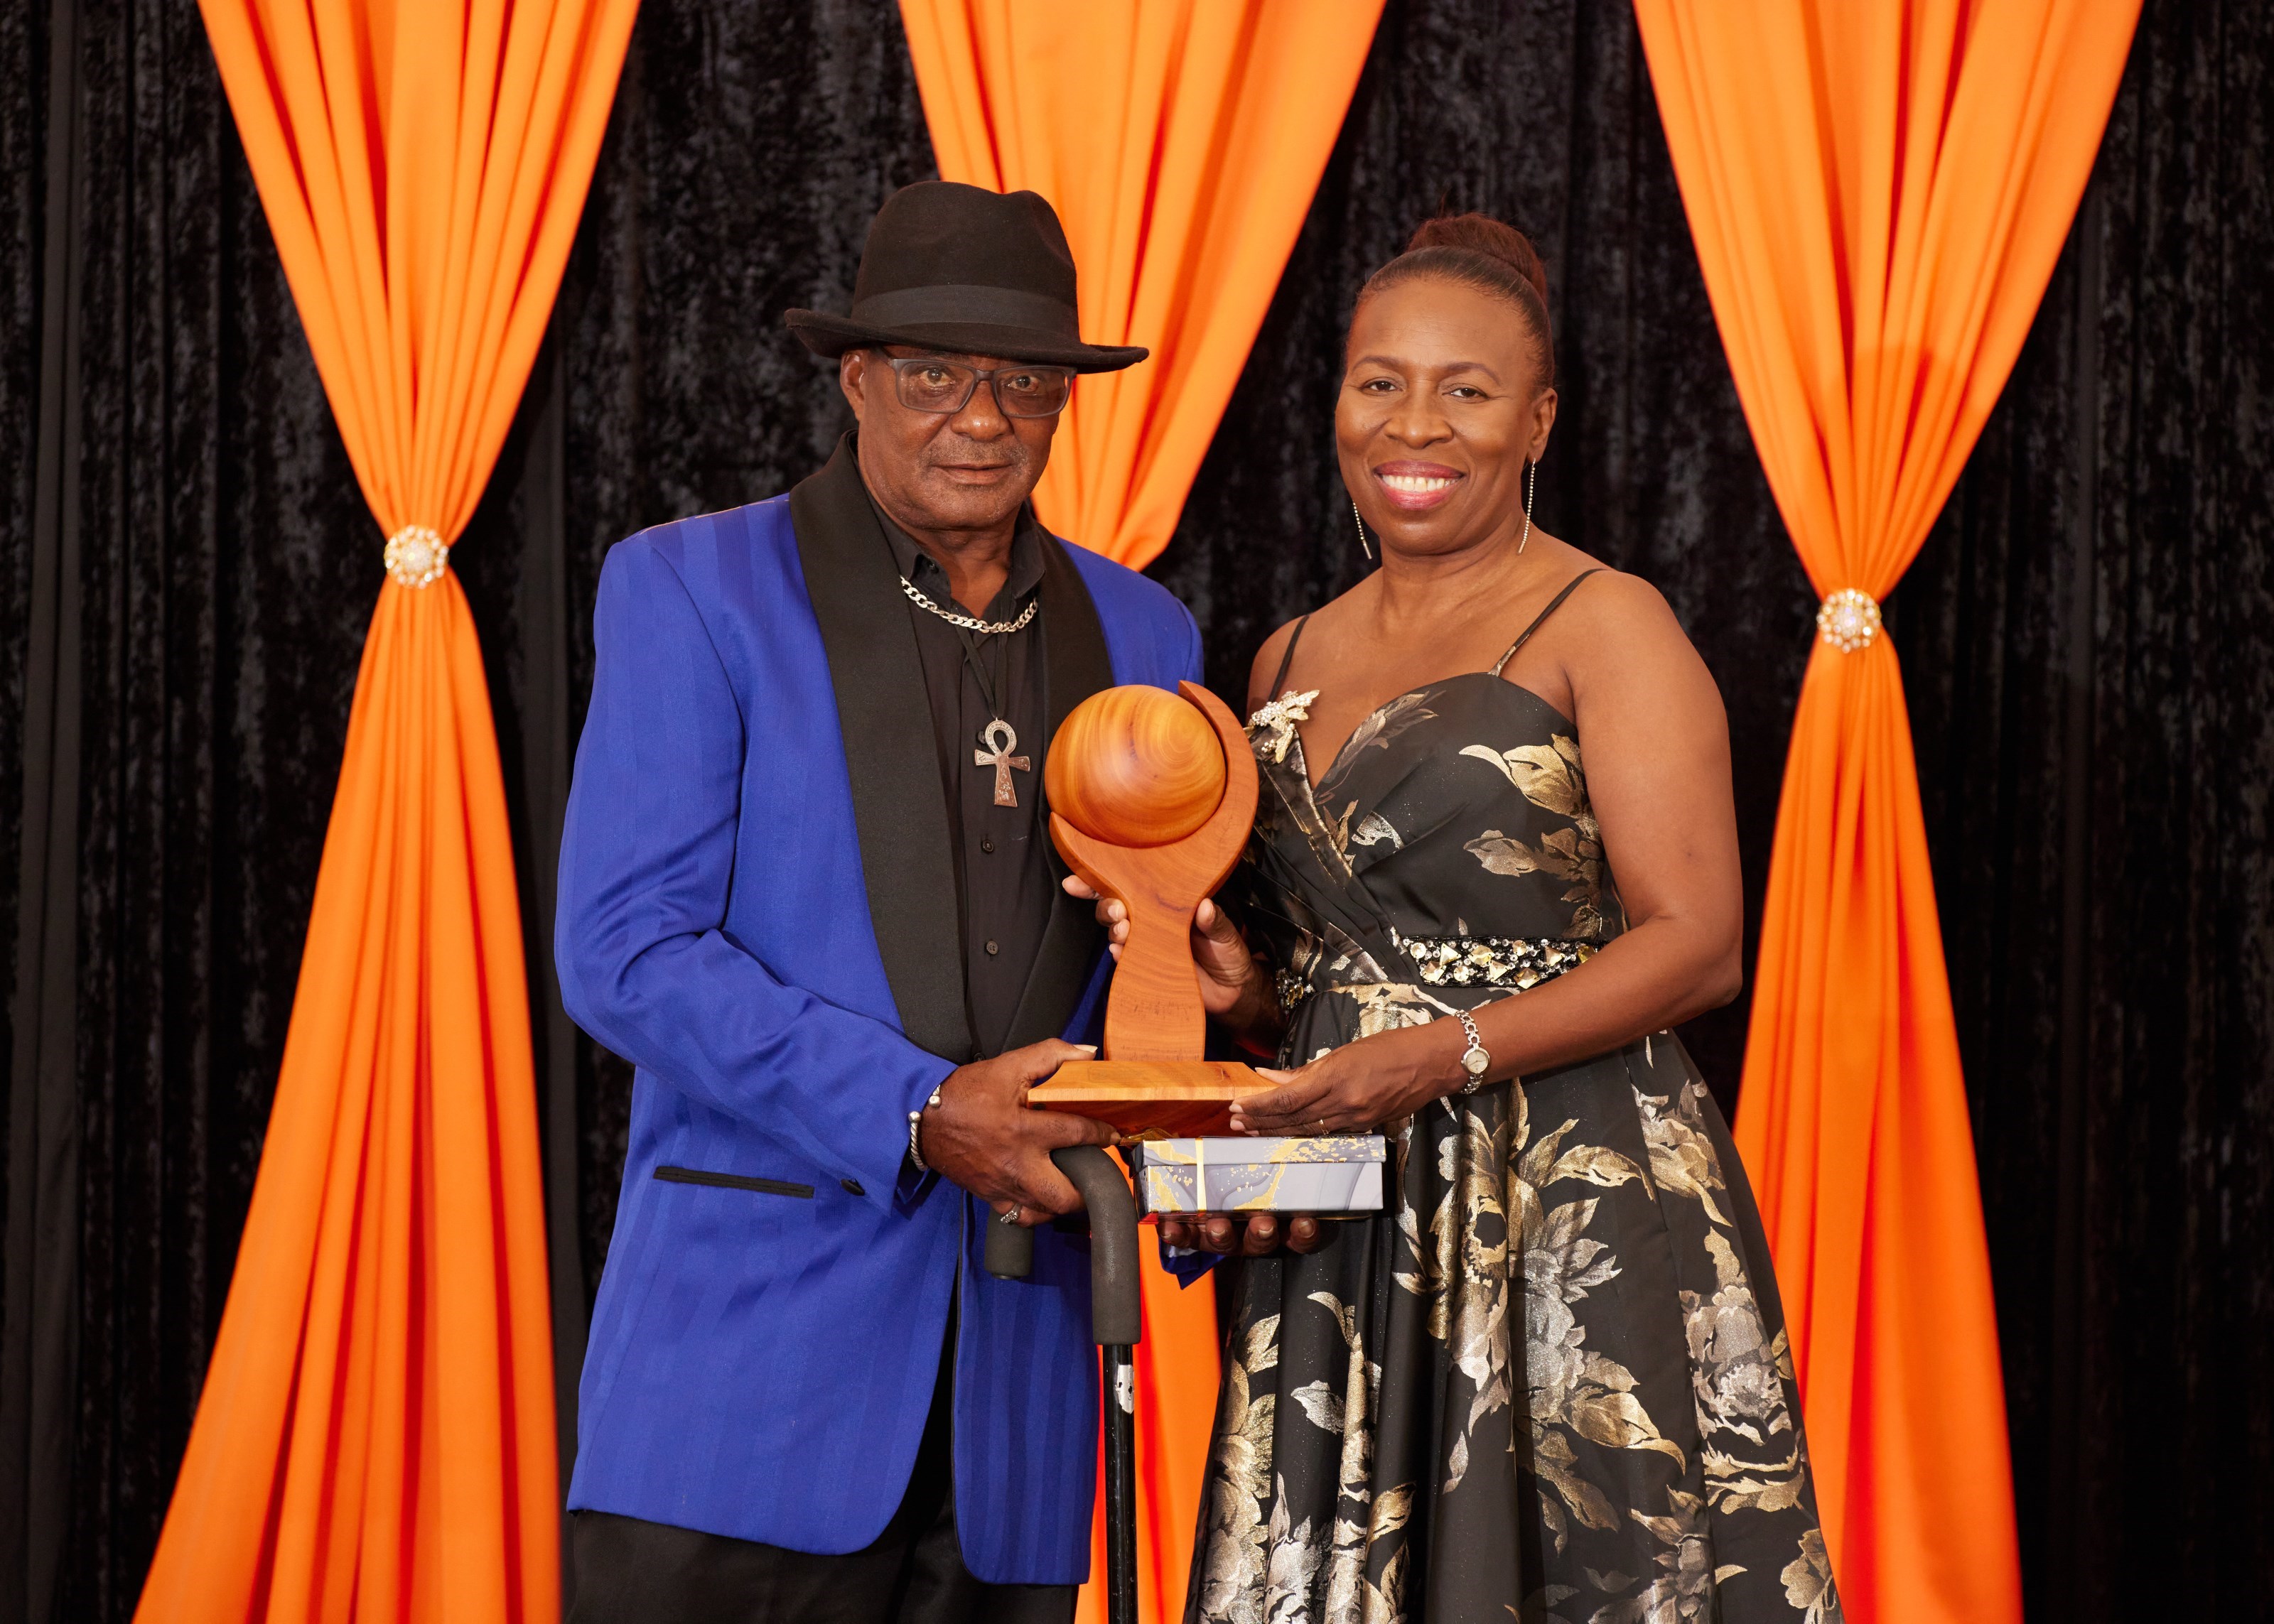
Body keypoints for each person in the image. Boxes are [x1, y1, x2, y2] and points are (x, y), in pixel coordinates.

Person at [1104, 215, 1843, 1623]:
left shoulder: (1604, 621)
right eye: (1380, 381)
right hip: (1349, 1205)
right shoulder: (1285, 653)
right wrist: (1244, 991)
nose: (1415, 424)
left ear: (1537, 420)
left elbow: (1698, 942)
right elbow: (1327, 975)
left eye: (1466, 389)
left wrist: (1436, 1058)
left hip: (1567, 1187)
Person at [552, 180, 1205, 1624]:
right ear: (855, 378)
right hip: (741, 1390)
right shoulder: (693, 587)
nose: (981, 417)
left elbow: (1145, 965)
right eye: (932, 375)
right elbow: (626, 951)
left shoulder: (1147, 633)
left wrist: (1204, 1033)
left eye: (1025, 382)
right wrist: (919, 1109)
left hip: (1018, 1411)